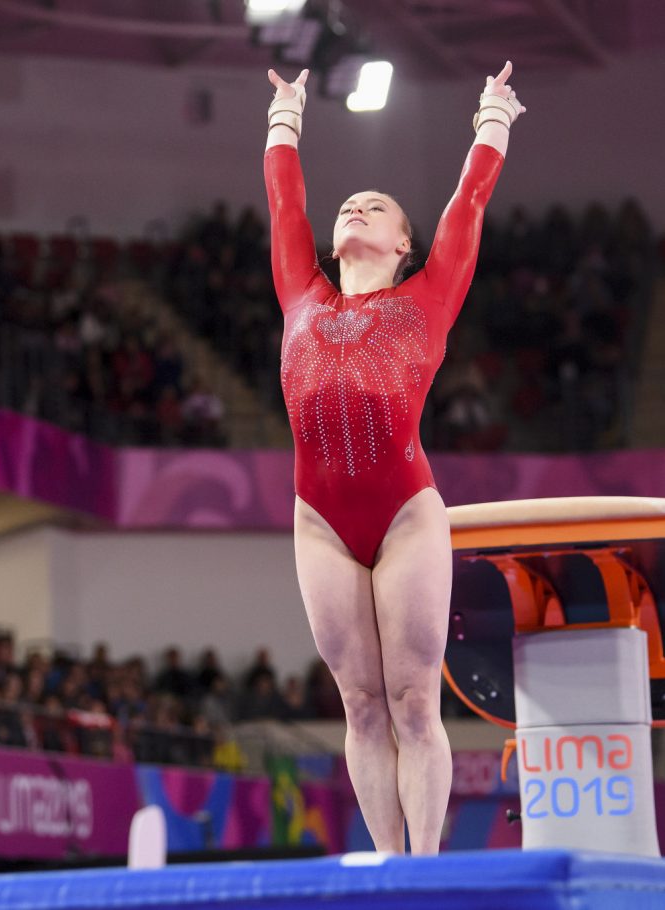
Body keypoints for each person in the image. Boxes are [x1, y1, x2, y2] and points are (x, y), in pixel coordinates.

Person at [263, 61, 523, 854]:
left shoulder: (427, 298)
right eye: (348, 204)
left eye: (375, 206)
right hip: (321, 524)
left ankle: (429, 872)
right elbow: (285, 203)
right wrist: (284, 117)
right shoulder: (300, 293)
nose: (354, 207)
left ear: (404, 243)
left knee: (413, 700)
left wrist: (493, 118)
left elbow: (469, 205)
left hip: (407, 514)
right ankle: (387, 867)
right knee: (362, 706)